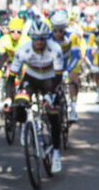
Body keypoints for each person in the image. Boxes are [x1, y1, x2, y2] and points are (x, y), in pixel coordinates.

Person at [9, 19, 64, 171]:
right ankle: (27, 127)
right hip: (31, 80)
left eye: (42, 38)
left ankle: (56, 155)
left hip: (50, 80)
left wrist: (51, 95)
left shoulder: (55, 48)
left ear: (47, 38)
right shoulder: (23, 50)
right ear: (31, 38)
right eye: (35, 38)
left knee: (53, 115)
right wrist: (8, 97)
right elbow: (11, 76)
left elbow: (59, 76)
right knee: (19, 102)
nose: (38, 42)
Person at [48, 10, 82, 122]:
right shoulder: (48, 37)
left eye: (61, 30)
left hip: (69, 61)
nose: (58, 33)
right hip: (55, 62)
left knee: (73, 79)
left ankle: (73, 108)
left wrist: (68, 70)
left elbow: (76, 56)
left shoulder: (72, 36)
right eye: (55, 30)